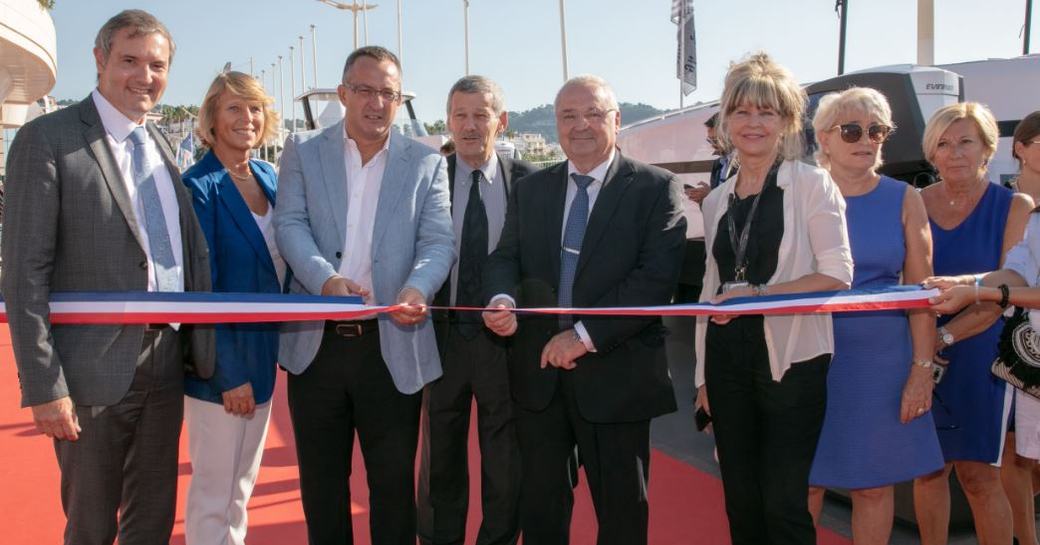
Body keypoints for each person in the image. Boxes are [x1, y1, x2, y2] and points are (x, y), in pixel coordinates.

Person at [1, 10, 214, 545]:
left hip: (164, 362)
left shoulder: (162, 145)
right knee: (92, 526)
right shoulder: (46, 140)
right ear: (99, 60)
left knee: (153, 521)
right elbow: (25, 275)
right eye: (130, 61)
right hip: (88, 374)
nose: (145, 76)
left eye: (157, 65)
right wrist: (45, 386)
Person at [481, 74, 686, 545]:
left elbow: (653, 282)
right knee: (542, 510)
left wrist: (583, 335)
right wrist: (501, 300)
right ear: (556, 125)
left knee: (621, 514)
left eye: (593, 113)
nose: (581, 126)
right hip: (539, 379)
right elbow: (504, 258)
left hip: (616, 377)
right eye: (568, 116)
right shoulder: (533, 190)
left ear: (616, 121)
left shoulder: (656, 188)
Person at [273, 45, 454, 545]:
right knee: (322, 487)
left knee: (393, 489)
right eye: (366, 90)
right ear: (343, 93)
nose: (377, 102)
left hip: (393, 346)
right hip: (317, 348)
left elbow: (438, 241)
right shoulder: (303, 152)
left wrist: (418, 287)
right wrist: (324, 280)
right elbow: (290, 223)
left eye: (389, 93)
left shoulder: (426, 162)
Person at [693, 52, 853, 545]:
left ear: (786, 121)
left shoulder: (811, 183)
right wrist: (702, 378)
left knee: (784, 504)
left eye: (766, 112)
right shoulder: (718, 198)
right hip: (727, 364)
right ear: (726, 120)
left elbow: (837, 273)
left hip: (792, 363)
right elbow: (709, 292)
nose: (753, 122)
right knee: (740, 500)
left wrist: (758, 294)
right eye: (742, 111)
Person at [805, 87, 943, 545]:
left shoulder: (905, 198)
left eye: (877, 130)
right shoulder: (799, 196)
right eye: (852, 130)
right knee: (805, 479)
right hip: (810, 353)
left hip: (881, 362)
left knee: (875, 484)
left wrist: (922, 370)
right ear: (824, 139)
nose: (866, 139)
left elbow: (921, 294)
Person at [416, 75, 535, 545]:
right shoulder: (427, 179)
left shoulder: (529, 183)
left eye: (480, 115)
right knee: (439, 457)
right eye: (460, 116)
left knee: (504, 458)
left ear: (500, 122)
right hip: (440, 339)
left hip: (505, 343)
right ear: (447, 122)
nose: (469, 126)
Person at [913, 102, 1033, 545]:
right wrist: (925, 347)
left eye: (965, 141)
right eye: (943, 143)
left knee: (979, 476)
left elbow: (1008, 288)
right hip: (923, 353)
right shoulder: (916, 203)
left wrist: (945, 335)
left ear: (987, 148)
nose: (955, 152)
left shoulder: (1013, 205)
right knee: (927, 471)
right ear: (932, 153)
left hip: (982, 353)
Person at [180, 71, 283, 545]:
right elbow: (202, 290)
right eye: (234, 108)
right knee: (212, 496)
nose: (248, 118)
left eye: (255, 108)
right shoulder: (198, 187)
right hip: (221, 370)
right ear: (212, 120)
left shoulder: (266, 176)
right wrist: (229, 374)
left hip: (263, 359)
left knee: (240, 490)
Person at [999, 111, 1040, 545]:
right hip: (1020, 354)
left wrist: (980, 294)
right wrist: (965, 286)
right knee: (1016, 456)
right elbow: (1008, 273)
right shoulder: (1018, 210)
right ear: (1020, 147)